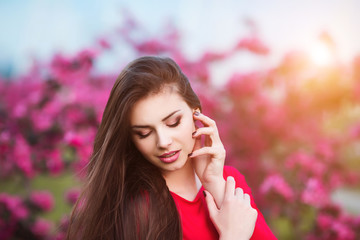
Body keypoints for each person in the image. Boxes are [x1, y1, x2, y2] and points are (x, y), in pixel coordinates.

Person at [66, 56, 277, 240]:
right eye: (144, 133)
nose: (163, 141)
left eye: (173, 122)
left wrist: (215, 185)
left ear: (196, 113)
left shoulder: (229, 182)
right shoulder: (137, 210)